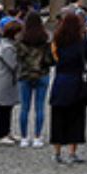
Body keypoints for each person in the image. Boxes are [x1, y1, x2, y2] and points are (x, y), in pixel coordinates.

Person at [48, 8, 87, 165]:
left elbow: (51, 59)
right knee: (76, 118)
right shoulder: (81, 41)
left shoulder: (57, 40)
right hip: (76, 81)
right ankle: (72, 152)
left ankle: (57, 152)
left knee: (58, 117)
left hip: (60, 81)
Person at [15, 13, 53, 149]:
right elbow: (50, 59)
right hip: (42, 74)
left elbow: (18, 57)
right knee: (40, 107)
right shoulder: (46, 38)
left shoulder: (20, 38)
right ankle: (37, 137)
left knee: (24, 108)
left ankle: (24, 137)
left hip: (25, 75)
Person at [0, 18, 21, 146]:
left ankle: (7, 131)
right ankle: (0, 133)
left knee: (8, 107)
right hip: (5, 80)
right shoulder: (7, 47)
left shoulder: (9, 45)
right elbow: (14, 64)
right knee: (4, 107)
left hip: (9, 80)